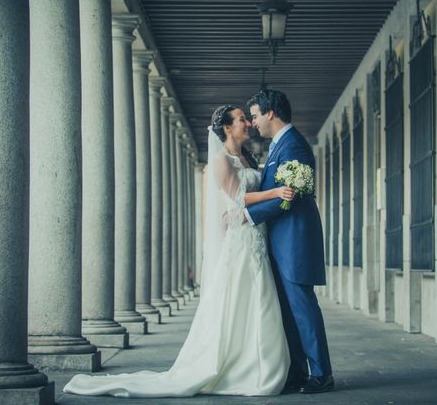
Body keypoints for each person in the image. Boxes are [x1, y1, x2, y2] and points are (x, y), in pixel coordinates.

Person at [63, 105, 294, 398]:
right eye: (241, 120)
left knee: (257, 298)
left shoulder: (247, 156)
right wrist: (276, 192)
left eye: (247, 119)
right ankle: (241, 366)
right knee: (241, 297)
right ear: (226, 128)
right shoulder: (220, 159)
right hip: (241, 238)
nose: (247, 123)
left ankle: (258, 364)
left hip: (256, 234)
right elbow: (237, 195)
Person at [245, 89, 334, 394]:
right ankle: (298, 372)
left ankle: (322, 374)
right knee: (287, 311)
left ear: (271, 112)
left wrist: (247, 213)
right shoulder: (278, 146)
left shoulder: (294, 144)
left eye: (255, 115)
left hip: (294, 240)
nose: (253, 122)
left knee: (302, 308)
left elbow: (290, 196)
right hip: (281, 241)